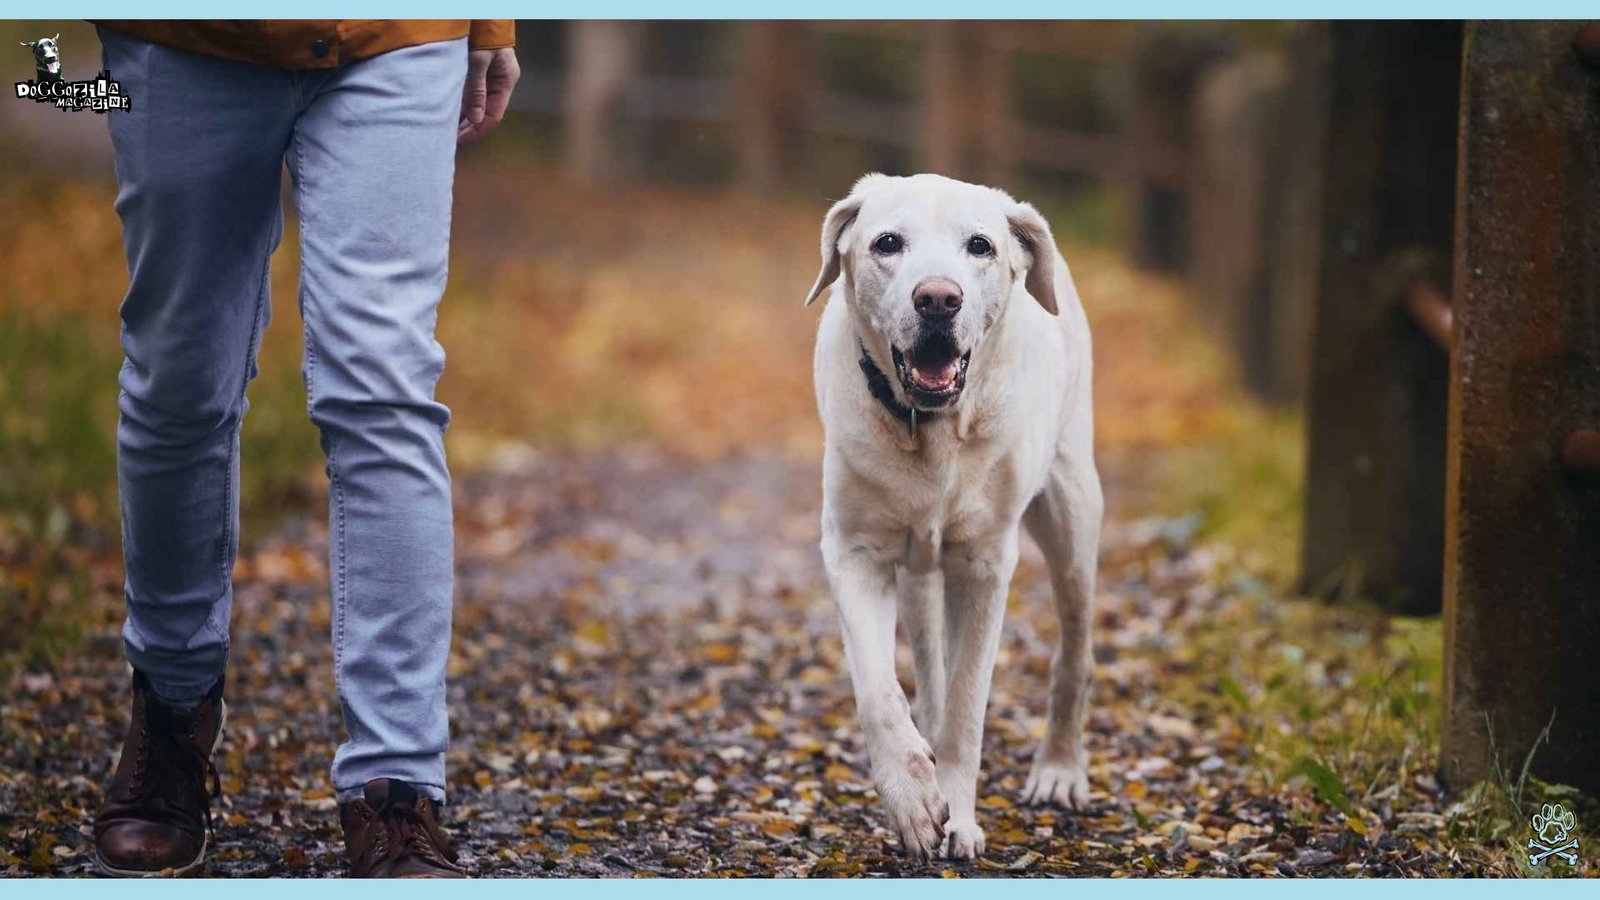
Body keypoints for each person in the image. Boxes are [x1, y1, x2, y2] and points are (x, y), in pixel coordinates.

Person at [87, 19, 520, 878]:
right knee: (180, 382)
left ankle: (398, 785)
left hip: (400, 32)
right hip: (183, 38)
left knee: (384, 387)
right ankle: (172, 712)